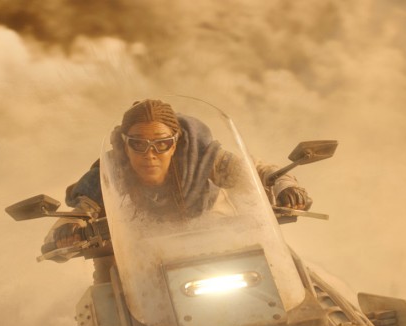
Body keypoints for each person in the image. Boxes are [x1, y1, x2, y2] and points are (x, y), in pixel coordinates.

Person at [45, 99, 311, 251]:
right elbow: (80, 213)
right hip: (142, 259)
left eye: (161, 144)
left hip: (223, 244)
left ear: (175, 144)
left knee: (286, 267)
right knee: (105, 292)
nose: (150, 154)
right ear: (125, 146)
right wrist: (66, 233)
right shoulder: (109, 176)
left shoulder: (203, 159)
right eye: (138, 144)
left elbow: (257, 171)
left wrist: (285, 185)